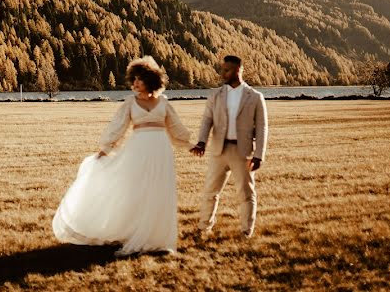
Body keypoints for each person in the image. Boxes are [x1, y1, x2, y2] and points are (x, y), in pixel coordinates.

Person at [52, 56, 194, 256]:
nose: (135, 83)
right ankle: (134, 231)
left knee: (159, 191)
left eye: (140, 79)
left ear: (151, 80)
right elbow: (117, 127)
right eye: (133, 79)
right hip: (138, 150)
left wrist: (189, 145)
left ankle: (158, 238)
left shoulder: (164, 102)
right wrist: (105, 149)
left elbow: (176, 128)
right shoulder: (130, 102)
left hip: (161, 150)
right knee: (136, 190)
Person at [190, 55, 268, 238]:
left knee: (246, 193)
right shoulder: (215, 95)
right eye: (222, 69)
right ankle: (204, 228)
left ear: (238, 70)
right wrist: (201, 142)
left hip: (243, 153)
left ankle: (246, 231)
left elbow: (262, 127)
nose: (222, 73)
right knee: (210, 191)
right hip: (219, 150)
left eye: (227, 70)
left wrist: (259, 155)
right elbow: (206, 120)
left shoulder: (255, 97)